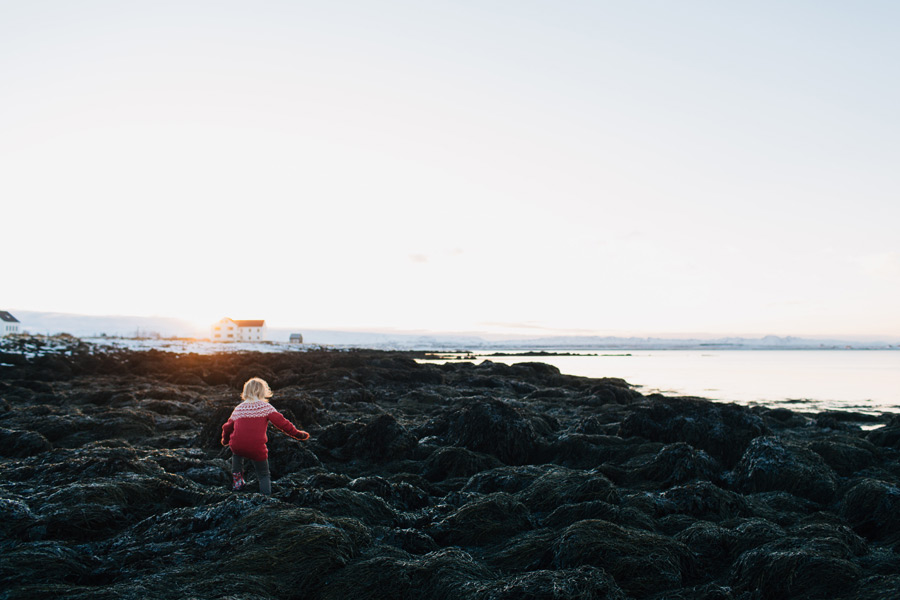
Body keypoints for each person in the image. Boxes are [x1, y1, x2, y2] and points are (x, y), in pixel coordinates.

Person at [221, 377, 309, 495]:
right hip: (256, 446)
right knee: (263, 474)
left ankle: (237, 482)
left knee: (237, 454)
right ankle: (265, 496)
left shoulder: (239, 408)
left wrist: (225, 440)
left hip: (237, 445)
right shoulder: (265, 407)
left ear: (246, 391)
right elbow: (282, 423)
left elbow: (227, 427)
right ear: (263, 391)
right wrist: (298, 434)